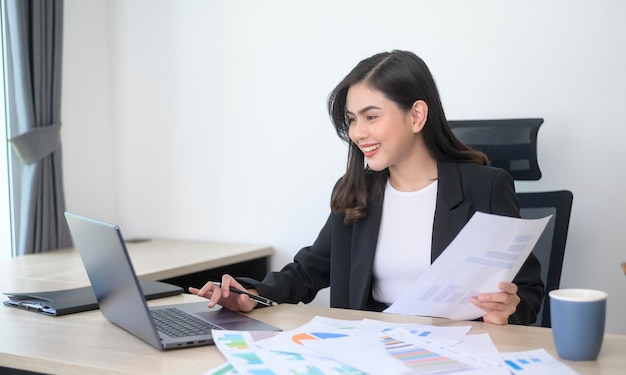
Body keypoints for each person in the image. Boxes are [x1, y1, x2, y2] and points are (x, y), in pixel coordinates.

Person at [189, 50, 544, 325]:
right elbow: (308, 271)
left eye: (371, 117)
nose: (358, 133)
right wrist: (252, 294)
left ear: (417, 116)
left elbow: (527, 292)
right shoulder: (356, 191)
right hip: (370, 349)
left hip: (459, 351)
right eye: (352, 120)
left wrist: (509, 309)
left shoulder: (486, 188)